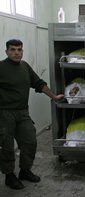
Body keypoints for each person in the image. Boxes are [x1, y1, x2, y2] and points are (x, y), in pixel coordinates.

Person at [0, 39, 64, 190]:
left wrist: (53, 97)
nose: (17, 52)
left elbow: (39, 83)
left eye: (19, 50)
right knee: (7, 146)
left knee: (30, 141)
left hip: (22, 112)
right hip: (4, 113)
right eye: (13, 49)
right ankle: (9, 175)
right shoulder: (1, 67)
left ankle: (25, 170)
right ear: (6, 51)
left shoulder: (25, 67)